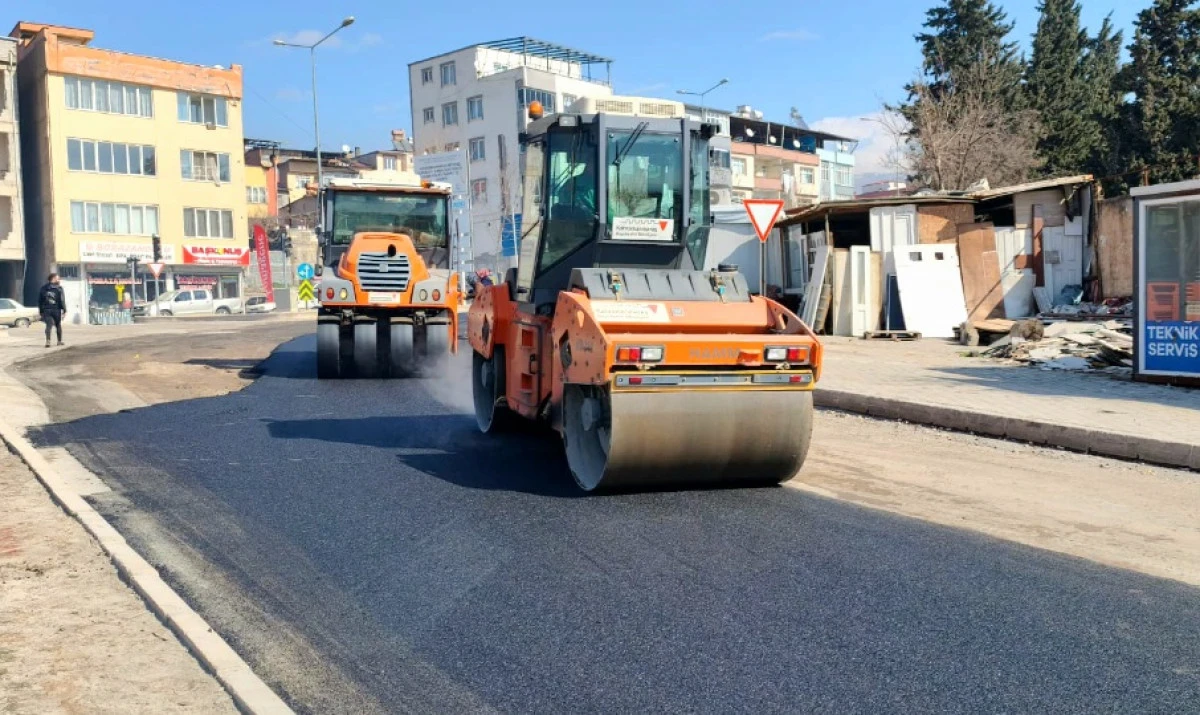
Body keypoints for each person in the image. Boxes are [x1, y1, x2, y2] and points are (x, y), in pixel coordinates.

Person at [38, 272, 67, 348]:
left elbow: (40, 300)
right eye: (57, 278)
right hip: (56, 310)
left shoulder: (43, 288)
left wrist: (41, 311)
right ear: (53, 279)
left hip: (46, 310)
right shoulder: (59, 288)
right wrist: (64, 310)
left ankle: (48, 341)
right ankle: (59, 341)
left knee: (48, 325)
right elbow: (62, 300)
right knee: (58, 325)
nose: (58, 279)